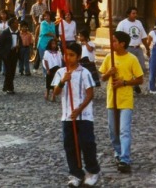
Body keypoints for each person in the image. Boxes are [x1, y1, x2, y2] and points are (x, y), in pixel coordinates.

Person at [52, 43, 100, 187]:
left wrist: (79, 109)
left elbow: (90, 94)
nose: (68, 57)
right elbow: (55, 93)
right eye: (66, 54)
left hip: (84, 116)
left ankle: (92, 171)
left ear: (78, 57)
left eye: (72, 55)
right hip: (67, 116)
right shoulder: (61, 72)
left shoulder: (84, 72)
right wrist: (62, 82)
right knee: (70, 146)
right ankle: (75, 173)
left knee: (87, 143)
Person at [99, 31, 144, 173]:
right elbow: (103, 78)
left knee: (124, 130)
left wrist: (124, 82)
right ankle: (118, 153)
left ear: (122, 44)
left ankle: (125, 159)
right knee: (113, 131)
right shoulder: (108, 58)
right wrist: (108, 73)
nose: (112, 44)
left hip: (125, 100)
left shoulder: (132, 59)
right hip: (112, 100)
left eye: (114, 41)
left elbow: (140, 79)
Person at [116, 7, 149, 94]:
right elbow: (117, 37)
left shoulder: (139, 23)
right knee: (129, 67)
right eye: (133, 13)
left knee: (142, 67)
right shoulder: (122, 24)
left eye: (136, 13)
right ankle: (131, 84)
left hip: (137, 48)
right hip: (128, 48)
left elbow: (143, 37)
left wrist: (147, 47)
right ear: (128, 14)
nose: (135, 15)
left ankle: (135, 83)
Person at [0, 17, 21, 94]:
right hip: (7, 54)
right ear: (12, 24)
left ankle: (6, 86)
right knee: (8, 71)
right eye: (16, 23)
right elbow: (0, 44)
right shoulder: (5, 33)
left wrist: (19, 47)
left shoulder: (18, 32)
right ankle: (10, 88)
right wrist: (2, 54)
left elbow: (20, 42)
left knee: (12, 71)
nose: (17, 24)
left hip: (15, 53)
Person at [37, 11, 56, 78]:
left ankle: (51, 71)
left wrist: (52, 34)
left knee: (50, 58)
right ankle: (45, 72)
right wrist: (52, 34)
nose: (46, 17)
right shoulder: (43, 23)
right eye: (45, 16)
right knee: (43, 58)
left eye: (47, 16)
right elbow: (45, 32)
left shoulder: (53, 23)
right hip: (42, 43)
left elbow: (54, 32)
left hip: (50, 43)